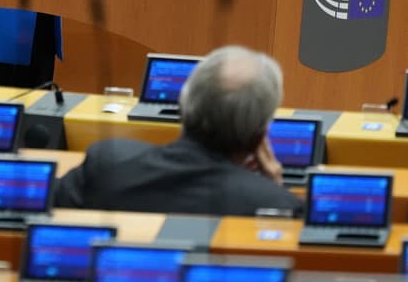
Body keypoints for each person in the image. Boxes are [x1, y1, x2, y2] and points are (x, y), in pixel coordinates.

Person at [53, 46, 302, 217]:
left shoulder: (107, 161)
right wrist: (276, 191)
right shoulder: (273, 205)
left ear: (182, 108)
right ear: (257, 138)